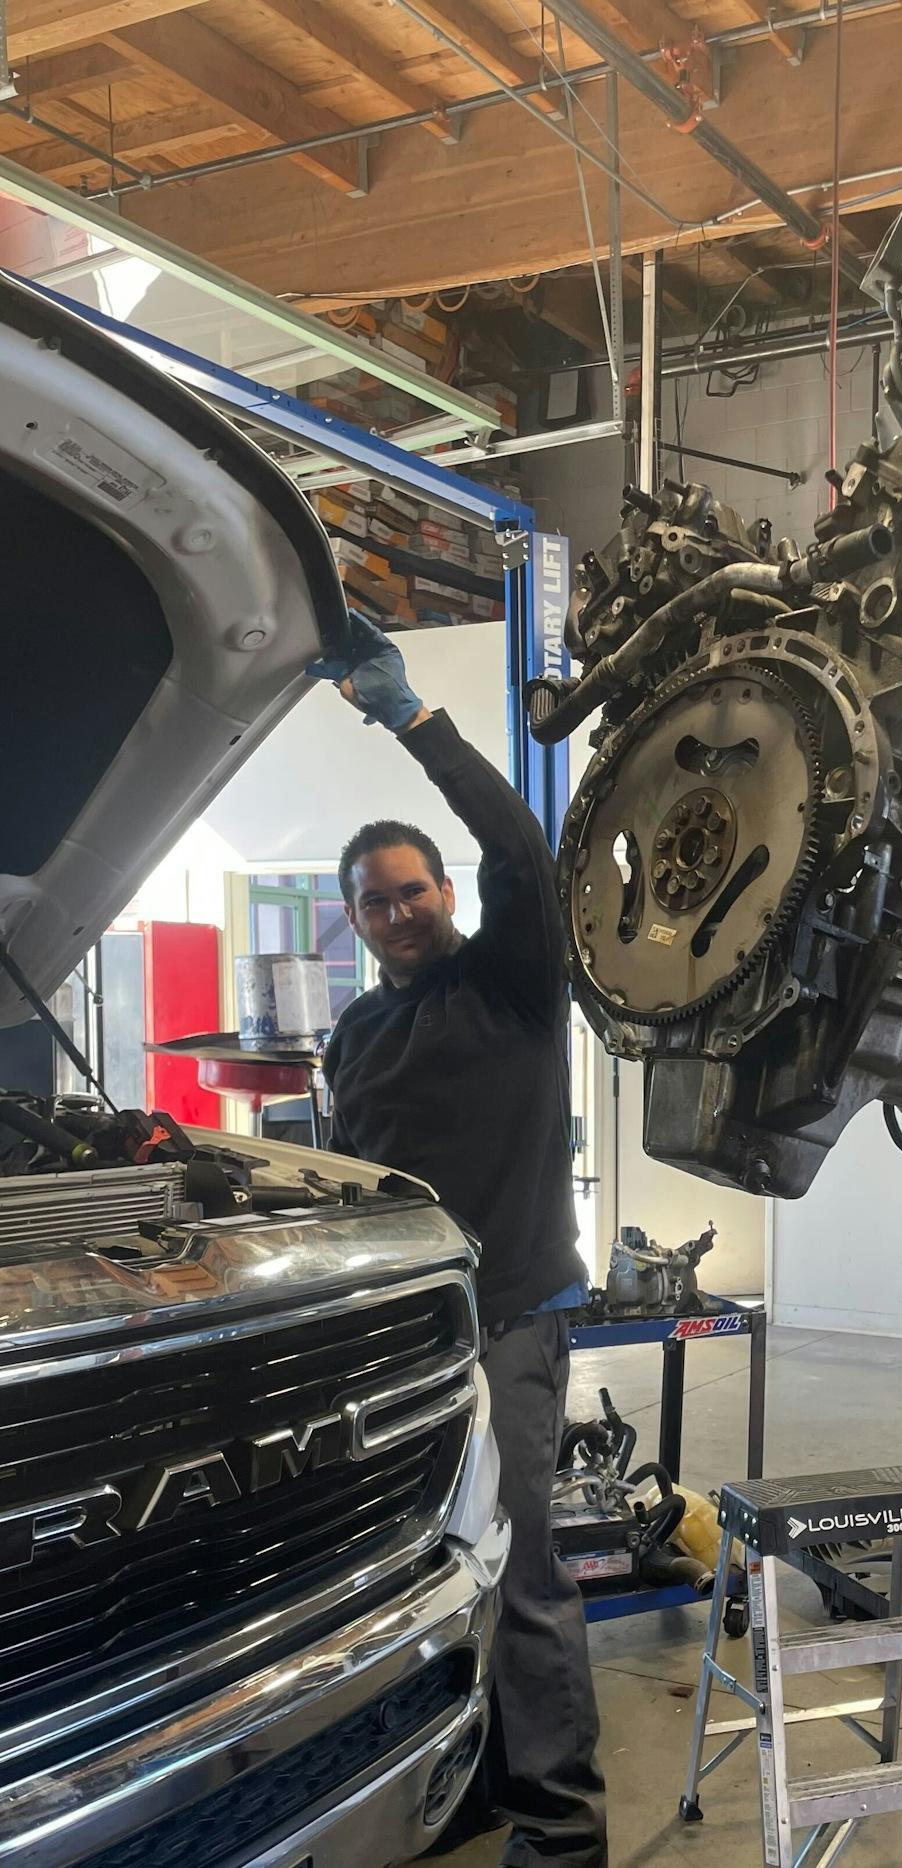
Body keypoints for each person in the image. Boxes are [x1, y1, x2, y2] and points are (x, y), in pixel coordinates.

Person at [309, 615, 607, 1866]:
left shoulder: (512, 983)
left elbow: (523, 850)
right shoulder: (354, 1039)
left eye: (413, 890)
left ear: (445, 892)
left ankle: (563, 1824)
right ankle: (475, 1783)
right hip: (402, 1346)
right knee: (429, 1570)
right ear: (355, 918)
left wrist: (414, 719)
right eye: (375, 901)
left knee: (524, 1571)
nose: (398, 912)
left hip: (509, 1325)